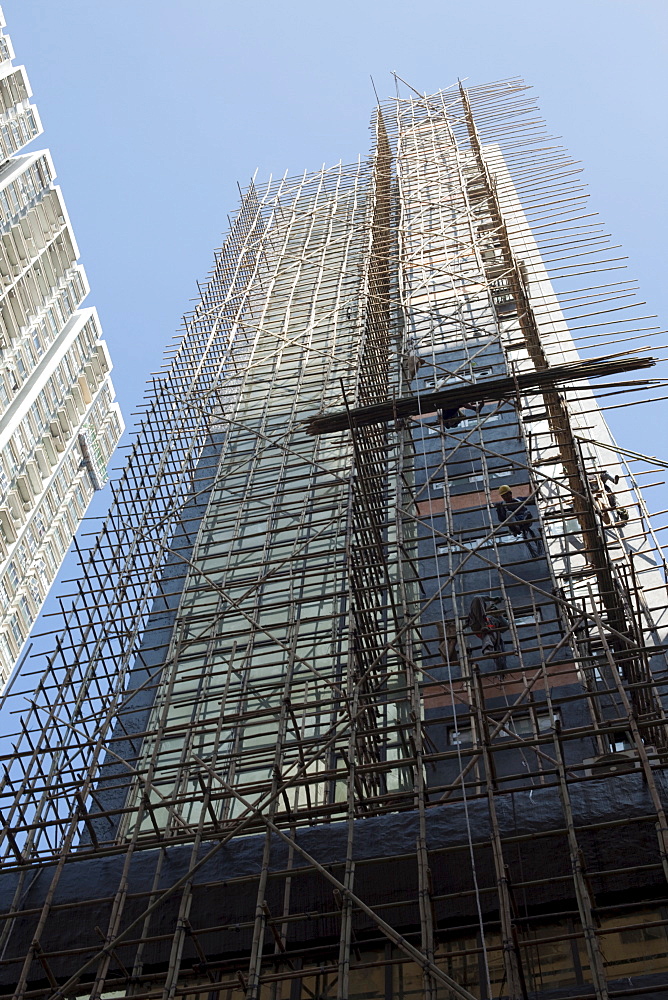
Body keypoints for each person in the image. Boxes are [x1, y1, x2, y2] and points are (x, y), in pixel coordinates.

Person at [494, 484, 542, 558]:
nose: (506, 497)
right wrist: (498, 509)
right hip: (515, 524)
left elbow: (532, 500)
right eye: (504, 496)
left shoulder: (519, 500)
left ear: (510, 493)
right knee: (509, 513)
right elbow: (502, 519)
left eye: (507, 495)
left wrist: (536, 490)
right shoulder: (503, 506)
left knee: (527, 513)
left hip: (525, 520)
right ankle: (516, 528)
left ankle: (520, 524)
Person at [466, 596, 509, 669]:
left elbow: (505, 627)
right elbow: (478, 598)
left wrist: (499, 615)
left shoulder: (492, 619)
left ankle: (487, 649)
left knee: (489, 633)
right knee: (477, 599)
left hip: (487, 630)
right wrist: (492, 598)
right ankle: (487, 648)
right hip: (478, 625)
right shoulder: (476, 610)